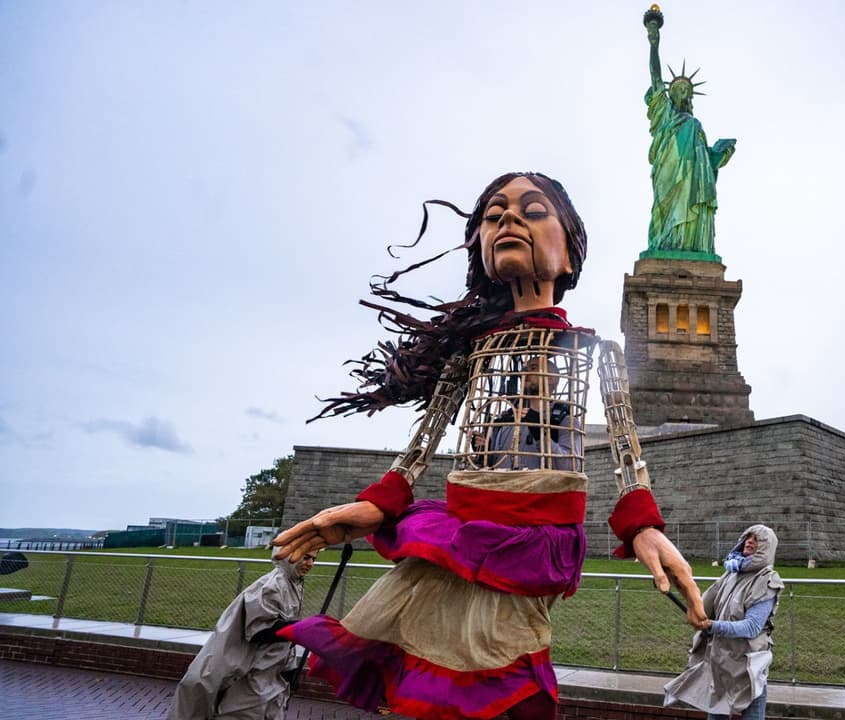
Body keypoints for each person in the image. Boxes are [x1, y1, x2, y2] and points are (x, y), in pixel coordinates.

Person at [272, 172, 706, 720]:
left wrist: (643, 525)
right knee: (425, 682)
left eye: (533, 210)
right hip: (457, 528)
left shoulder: (597, 352)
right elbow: (421, 445)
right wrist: (379, 502)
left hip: (534, 537)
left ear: (569, 256)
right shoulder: (469, 355)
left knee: (509, 684)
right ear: (478, 244)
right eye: (494, 213)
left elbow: (626, 448)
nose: (508, 219)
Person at [167, 551, 315, 720]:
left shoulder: (292, 585)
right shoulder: (272, 586)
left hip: (267, 679)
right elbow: (259, 631)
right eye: (306, 557)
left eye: (314, 559)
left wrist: (289, 669)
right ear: (289, 555)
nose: (310, 564)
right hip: (250, 679)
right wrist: (301, 628)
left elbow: (283, 641)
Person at [643, 6, 736, 257]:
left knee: (690, 210)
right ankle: (667, 244)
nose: (682, 93)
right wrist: (654, 43)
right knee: (665, 213)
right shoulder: (665, 114)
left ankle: (690, 245)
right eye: (678, 89)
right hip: (669, 173)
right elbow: (655, 78)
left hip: (692, 180)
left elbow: (705, 162)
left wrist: (718, 155)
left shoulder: (695, 126)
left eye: (687, 90)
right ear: (670, 93)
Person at [664, 525, 783, 720]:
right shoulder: (731, 574)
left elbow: (752, 627)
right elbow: (702, 605)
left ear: (766, 548)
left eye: (757, 539)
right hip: (720, 664)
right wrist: (675, 580)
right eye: (748, 537)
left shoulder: (767, 580)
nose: (750, 541)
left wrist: (713, 626)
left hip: (748, 669)